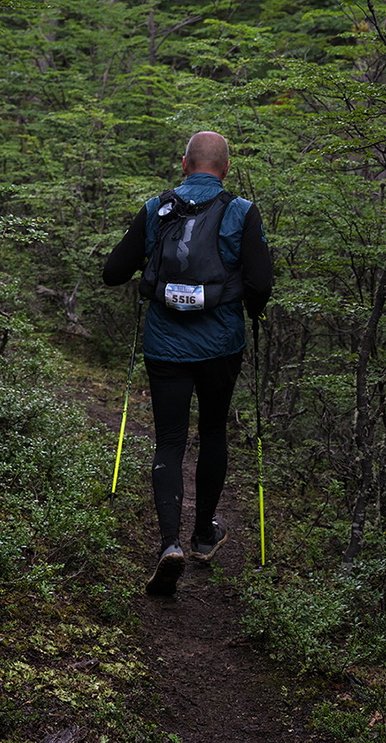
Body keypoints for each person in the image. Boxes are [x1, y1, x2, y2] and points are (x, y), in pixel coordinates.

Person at [103, 131, 273, 597]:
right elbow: (260, 282)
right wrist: (251, 311)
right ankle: (203, 536)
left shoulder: (156, 208)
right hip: (221, 346)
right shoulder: (241, 210)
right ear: (226, 168)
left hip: (165, 347)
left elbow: (112, 272)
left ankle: (169, 546)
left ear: (184, 164)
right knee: (214, 432)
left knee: (170, 442)